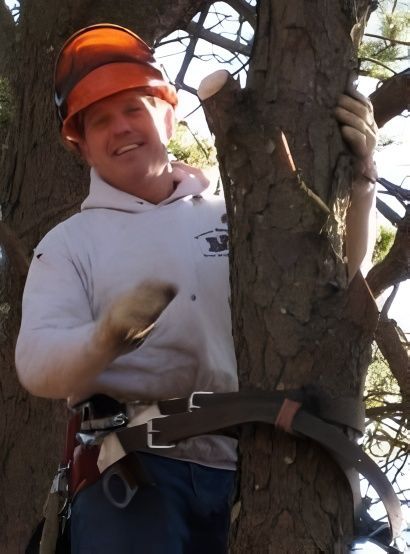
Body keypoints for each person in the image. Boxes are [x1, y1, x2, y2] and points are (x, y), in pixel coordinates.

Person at [15, 23, 378, 554]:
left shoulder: (237, 213)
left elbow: (331, 276)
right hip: (135, 474)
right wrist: (104, 340)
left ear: (166, 113)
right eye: (100, 121)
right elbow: (36, 361)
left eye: (133, 109)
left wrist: (361, 179)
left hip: (257, 470)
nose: (120, 128)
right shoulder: (71, 243)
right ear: (82, 146)